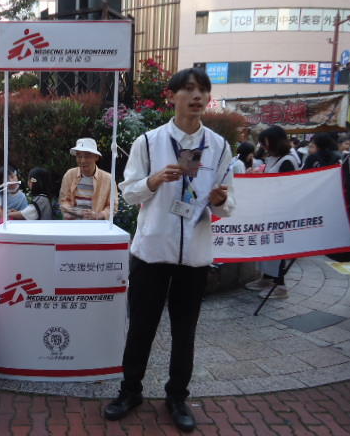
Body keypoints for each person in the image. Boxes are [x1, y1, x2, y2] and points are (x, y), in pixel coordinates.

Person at [103, 68, 235, 432]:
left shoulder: (220, 147)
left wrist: (220, 201)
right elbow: (128, 193)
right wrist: (154, 179)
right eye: (189, 89)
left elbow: (228, 205)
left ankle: (177, 397)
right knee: (141, 327)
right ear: (171, 95)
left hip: (194, 255)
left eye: (203, 90)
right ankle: (130, 391)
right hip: (151, 252)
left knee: (185, 331)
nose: (197, 96)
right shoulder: (149, 142)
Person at [244, 125, 299, 299]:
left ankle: (280, 285)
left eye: (265, 142)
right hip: (267, 210)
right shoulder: (273, 158)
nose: (263, 146)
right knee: (266, 246)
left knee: (277, 249)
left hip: (279, 213)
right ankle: (267, 278)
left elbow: (286, 188)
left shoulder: (287, 161)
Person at [59, 138, 115, 220]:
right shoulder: (69, 175)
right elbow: (63, 201)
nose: (82, 160)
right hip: (72, 223)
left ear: (96, 157)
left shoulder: (108, 179)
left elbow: (113, 206)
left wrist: (98, 215)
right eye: (79, 156)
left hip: (96, 225)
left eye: (87, 156)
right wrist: (72, 212)